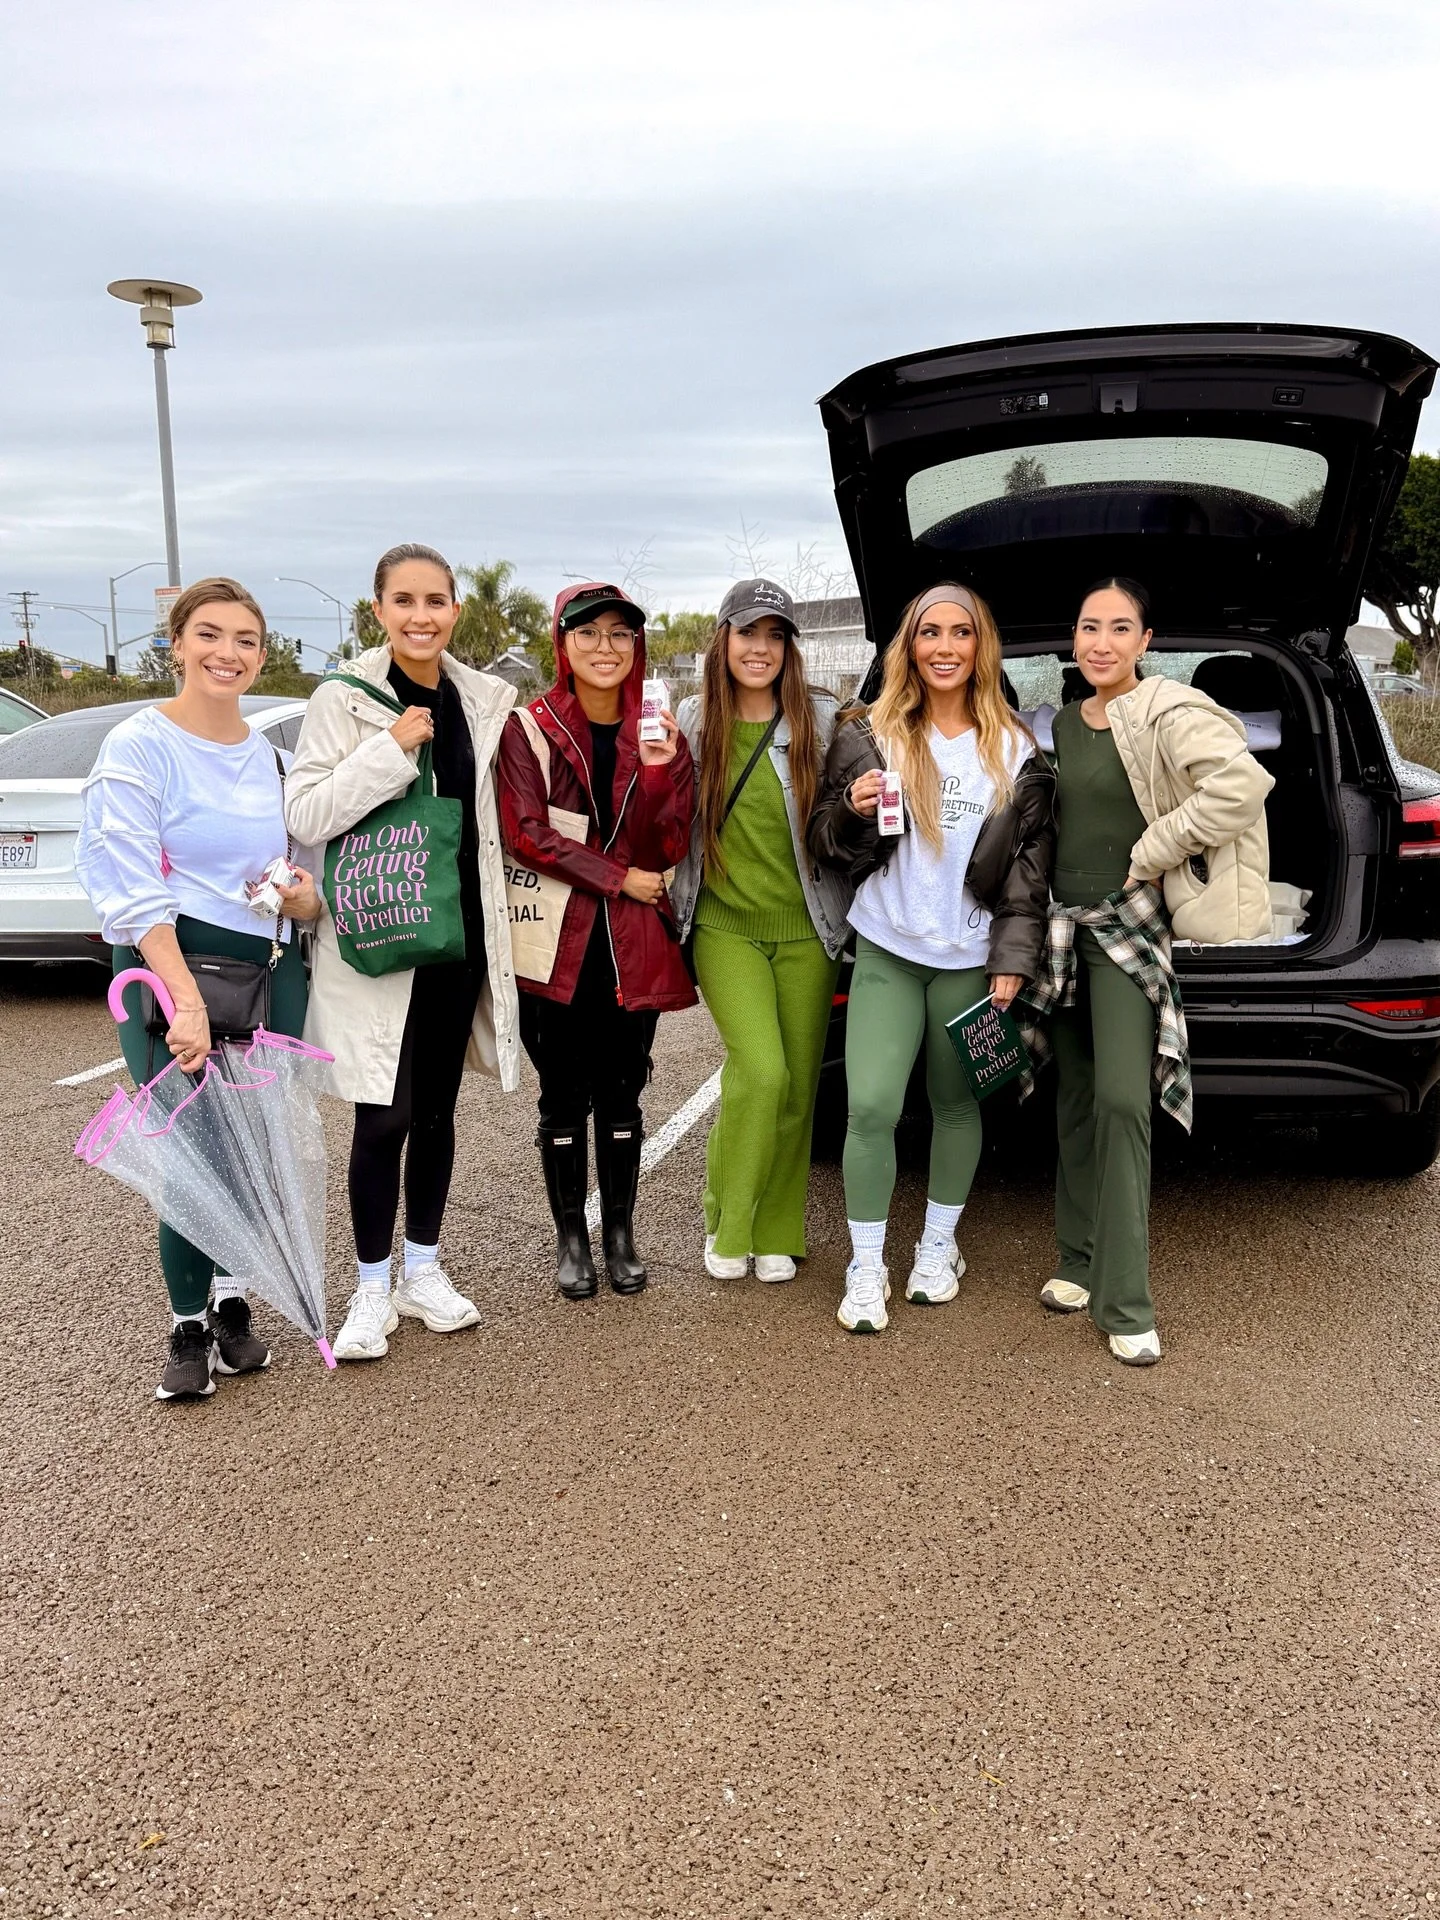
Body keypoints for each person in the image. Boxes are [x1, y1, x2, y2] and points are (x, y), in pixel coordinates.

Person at [76, 577, 323, 1401]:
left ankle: (230, 1304)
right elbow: (136, 889)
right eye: (209, 634)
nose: (229, 652)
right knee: (191, 1152)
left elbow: (306, 891)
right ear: (175, 644)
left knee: (253, 1145)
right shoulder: (138, 746)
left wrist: (300, 897)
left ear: (262, 654)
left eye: (246, 639)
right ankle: (186, 1325)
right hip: (167, 967)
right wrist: (181, 999)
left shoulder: (272, 758)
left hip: (261, 970)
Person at [286, 543, 521, 1362]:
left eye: (437, 601)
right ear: (377, 609)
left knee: (437, 1113)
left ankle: (424, 1267)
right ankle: (372, 1286)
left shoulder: (481, 697)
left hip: (456, 938)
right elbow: (308, 813)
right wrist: (388, 750)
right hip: (379, 937)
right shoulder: (342, 701)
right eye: (405, 601)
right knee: (380, 1116)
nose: (422, 616)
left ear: (456, 609)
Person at [1030, 576, 1273, 1366]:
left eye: (1120, 627)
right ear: (1075, 637)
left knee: (1122, 1101)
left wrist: (1152, 851)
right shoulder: (1062, 724)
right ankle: (1077, 1260)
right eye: (1089, 625)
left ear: (1146, 641)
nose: (1101, 641)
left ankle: (1125, 1300)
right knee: (1071, 1096)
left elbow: (1242, 785)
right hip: (1056, 933)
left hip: (1125, 931)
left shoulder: (1162, 712)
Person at [809, 583, 1054, 1334]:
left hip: (971, 959)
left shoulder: (1017, 747)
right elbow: (824, 841)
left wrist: (1013, 956)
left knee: (956, 1105)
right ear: (907, 647)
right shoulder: (867, 732)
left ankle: (939, 1247)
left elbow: (1030, 868)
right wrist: (849, 810)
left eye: (960, 633)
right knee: (872, 1106)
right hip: (888, 944)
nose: (944, 647)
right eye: (928, 633)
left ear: (981, 647)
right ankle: (865, 1263)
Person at [498, 582, 695, 1300]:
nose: (605, 648)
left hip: (630, 946)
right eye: (588, 634)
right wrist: (618, 879)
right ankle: (571, 1238)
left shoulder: (660, 729)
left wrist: (658, 771)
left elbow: (669, 841)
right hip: (558, 944)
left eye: (620, 634)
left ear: (636, 645)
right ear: (563, 644)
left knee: (622, 1093)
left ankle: (620, 1235)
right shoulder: (532, 727)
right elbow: (526, 834)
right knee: (561, 1094)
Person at [671, 579, 851, 1282]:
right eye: (749, 633)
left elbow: (844, 815)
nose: (761, 648)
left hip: (808, 927)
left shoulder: (824, 719)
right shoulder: (692, 719)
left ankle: (778, 1228)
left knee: (799, 1084)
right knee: (761, 1070)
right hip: (723, 924)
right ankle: (729, 1219)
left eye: (776, 636)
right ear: (723, 639)